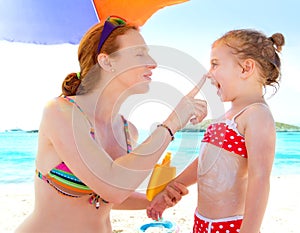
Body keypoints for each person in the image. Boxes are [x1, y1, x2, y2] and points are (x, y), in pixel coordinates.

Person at [15, 16, 207, 233]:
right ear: (107, 61)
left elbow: (110, 198)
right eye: (139, 53)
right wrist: (172, 123)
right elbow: (112, 188)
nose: (152, 62)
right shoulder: (61, 112)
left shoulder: (128, 131)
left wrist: (152, 200)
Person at [147, 29, 285, 233]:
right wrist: (170, 189)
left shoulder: (256, 115)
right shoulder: (227, 116)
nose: (208, 73)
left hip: (230, 226)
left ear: (246, 68)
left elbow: (260, 178)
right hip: (201, 223)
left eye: (215, 64)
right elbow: (204, 163)